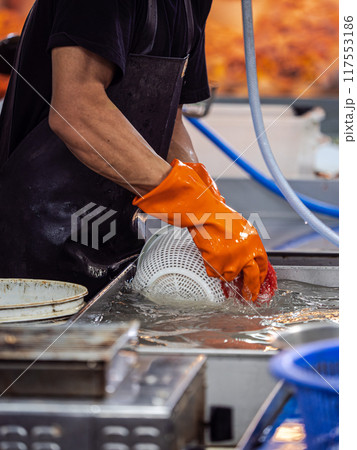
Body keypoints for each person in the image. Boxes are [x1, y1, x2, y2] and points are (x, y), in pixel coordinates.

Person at [0, 0, 268, 301]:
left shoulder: (193, 4)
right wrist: (199, 210)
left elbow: (167, 120)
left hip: (115, 241)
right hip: (32, 252)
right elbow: (77, 110)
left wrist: (215, 210)